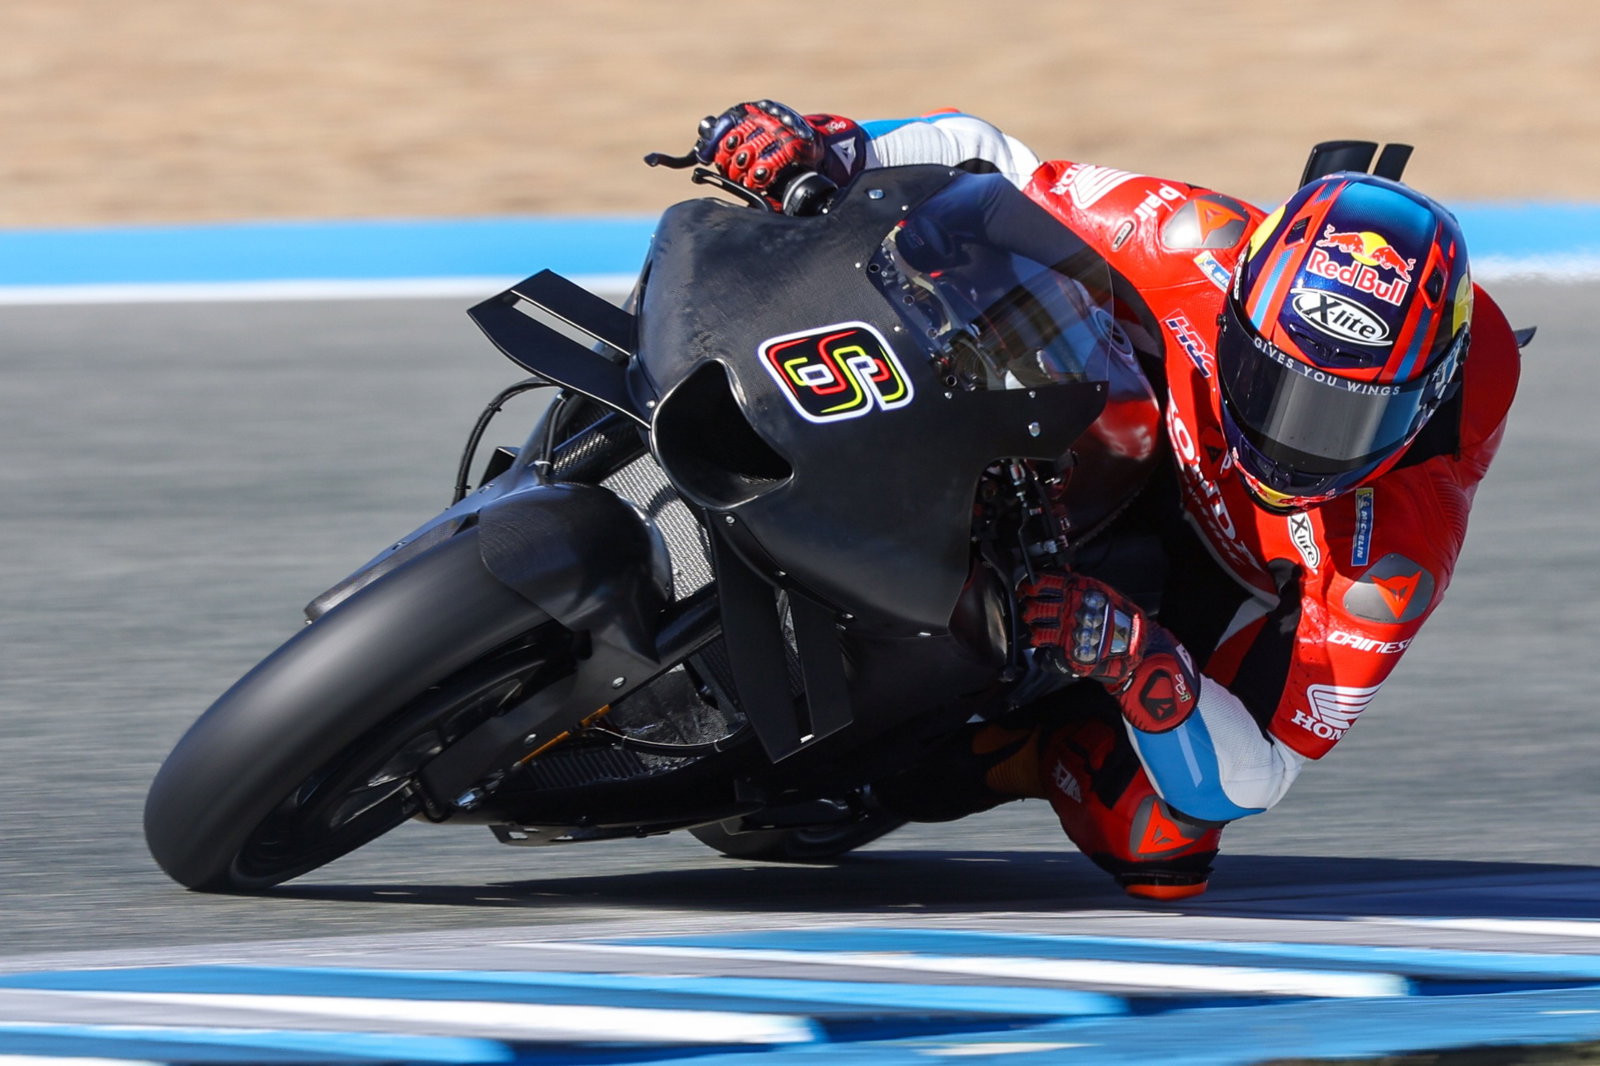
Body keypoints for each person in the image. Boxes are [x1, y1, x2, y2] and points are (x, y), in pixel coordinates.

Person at [693, 102, 1522, 899]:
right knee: (960, 251)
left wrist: (1141, 659)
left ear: (1426, 396)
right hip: (1107, 411)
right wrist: (830, 145)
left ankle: (991, 747)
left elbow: (1255, 777)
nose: (1292, 444)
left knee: (1162, 843)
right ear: (1237, 304)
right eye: (1274, 384)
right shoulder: (1192, 242)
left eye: (1346, 419)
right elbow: (997, 162)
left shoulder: (1390, 559)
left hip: (1216, 578)